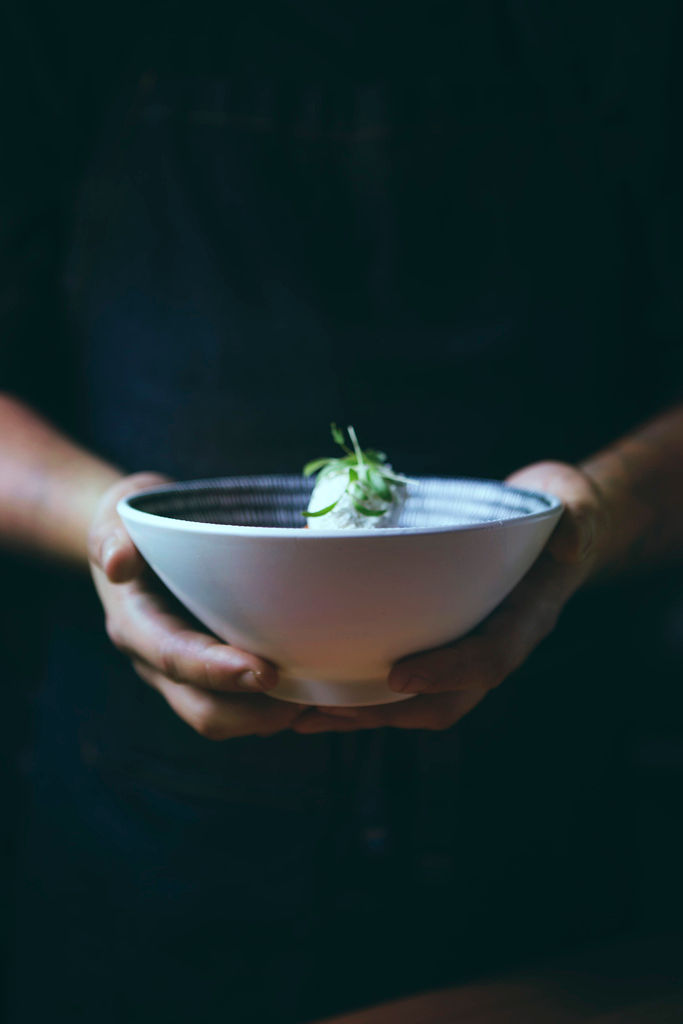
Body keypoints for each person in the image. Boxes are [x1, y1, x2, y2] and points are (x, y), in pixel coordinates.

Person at [1, 2, 682, 1022]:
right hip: (150, 830)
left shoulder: (624, 32)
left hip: (536, 814)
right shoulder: (63, 31)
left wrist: (588, 514)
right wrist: (117, 522)